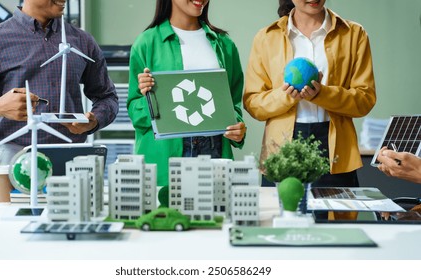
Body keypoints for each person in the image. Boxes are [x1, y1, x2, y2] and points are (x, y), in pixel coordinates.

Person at [0, 0, 118, 165]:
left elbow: (107, 97)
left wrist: (94, 120)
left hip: (72, 159)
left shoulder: (83, 41)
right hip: (17, 159)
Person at [244, 0, 376, 188]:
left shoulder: (354, 34)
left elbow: (365, 99)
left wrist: (322, 94)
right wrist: (287, 96)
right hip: (281, 146)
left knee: (333, 215)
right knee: (281, 214)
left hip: (334, 147)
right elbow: (253, 103)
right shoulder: (266, 37)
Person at [128, 0, 246, 188]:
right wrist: (149, 99)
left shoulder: (224, 44)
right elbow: (136, 113)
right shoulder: (146, 43)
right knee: (167, 215)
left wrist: (237, 128)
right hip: (166, 152)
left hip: (213, 148)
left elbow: (232, 103)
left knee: (215, 215)